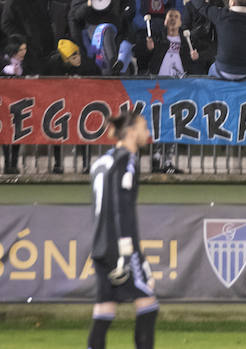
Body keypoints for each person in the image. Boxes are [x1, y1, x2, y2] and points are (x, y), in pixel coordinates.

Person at [87, 110, 158, 349]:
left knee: (104, 307)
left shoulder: (101, 161)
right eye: (144, 128)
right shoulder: (127, 159)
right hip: (120, 246)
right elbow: (120, 206)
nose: (148, 133)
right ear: (130, 132)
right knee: (148, 302)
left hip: (99, 246)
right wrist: (128, 251)